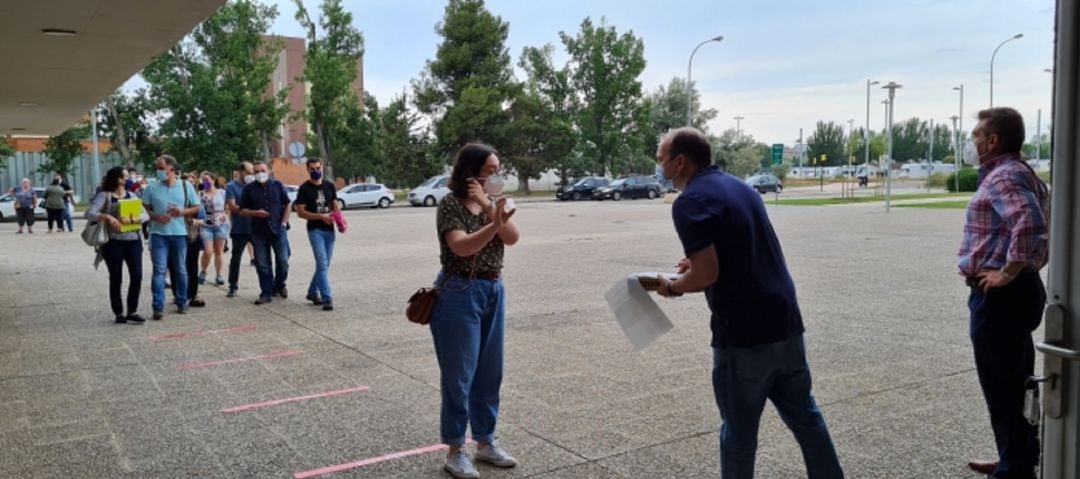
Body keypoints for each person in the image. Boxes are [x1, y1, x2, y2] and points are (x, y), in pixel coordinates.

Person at [654, 127, 842, 479]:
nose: (660, 168)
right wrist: (694, 263)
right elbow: (737, 248)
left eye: (662, 160)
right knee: (806, 418)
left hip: (744, 335)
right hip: (785, 321)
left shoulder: (690, 202)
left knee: (738, 434)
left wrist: (673, 286)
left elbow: (706, 275)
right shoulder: (740, 187)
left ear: (680, 162)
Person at [958, 107, 1049, 479]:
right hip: (1015, 292)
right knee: (1016, 380)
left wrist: (1008, 273)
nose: (972, 141)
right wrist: (1025, 271)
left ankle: (1014, 469)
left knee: (1003, 387)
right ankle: (1016, 456)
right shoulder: (1021, 172)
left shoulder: (1004, 176)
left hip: (1000, 298)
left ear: (993, 141)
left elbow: (1029, 224)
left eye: (977, 135)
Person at [430, 143, 520, 479]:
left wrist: (489, 208)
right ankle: (456, 450)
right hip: (459, 290)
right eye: (491, 170)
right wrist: (493, 222)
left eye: (499, 168)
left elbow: (512, 238)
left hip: (493, 289)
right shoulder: (450, 204)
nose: (497, 175)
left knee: (489, 372)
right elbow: (461, 247)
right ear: (472, 172)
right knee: (459, 375)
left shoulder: (495, 203)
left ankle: (486, 442)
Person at [86, 167, 149, 324]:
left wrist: (136, 218)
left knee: (137, 275)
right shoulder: (105, 196)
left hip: (133, 240)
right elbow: (89, 213)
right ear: (118, 178)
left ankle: (132, 310)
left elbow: (146, 215)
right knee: (116, 277)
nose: (129, 178)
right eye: (126, 176)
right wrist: (106, 216)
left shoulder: (132, 195)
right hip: (113, 242)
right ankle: (119, 312)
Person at [142, 154, 201, 320]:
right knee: (159, 270)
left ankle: (182, 301)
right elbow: (145, 208)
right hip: (158, 234)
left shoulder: (185, 185)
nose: (158, 171)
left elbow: (196, 207)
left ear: (172, 169)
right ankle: (158, 306)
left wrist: (181, 212)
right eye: (157, 168)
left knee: (181, 269)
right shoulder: (151, 188)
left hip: (179, 234)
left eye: (161, 168)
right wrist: (153, 216)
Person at [239, 162, 291, 305]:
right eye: (256, 171)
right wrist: (255, 213)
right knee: (262, 264)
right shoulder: (248, 189)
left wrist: (284, 223)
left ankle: (280, 285)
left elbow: (287, 204)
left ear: (268, 171)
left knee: (283, 261)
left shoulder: (278, 185)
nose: (260, 173)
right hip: (259, 232)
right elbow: (242, 210)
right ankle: (266, 292)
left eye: (262, 170)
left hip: (278, 229)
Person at [295, 158, 340, 311]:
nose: (316, 171)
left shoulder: (329, 186)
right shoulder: (304, 189)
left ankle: (312, 292)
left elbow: (335, 205)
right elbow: (300, 212)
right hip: (315, 230)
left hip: (330, 230)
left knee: (324, 265)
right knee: (321, 263)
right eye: (312, 168)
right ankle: (327, 298)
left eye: (318, 168)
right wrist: (321, 216)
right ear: (308, 170)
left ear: (322, 168)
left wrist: (340, 221)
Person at [174, 172, 208, 309]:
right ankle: (179, 294)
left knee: (192, 265)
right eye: (188, 181)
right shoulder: (175, 196)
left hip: (191, 234)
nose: (190, 183)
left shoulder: (195, 199)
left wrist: (192, 217)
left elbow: (203, 216)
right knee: (177, 265)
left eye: (192, 180)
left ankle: (193, 294)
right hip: (175, 234)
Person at [225, 162, 254, 297]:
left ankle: (268, 285)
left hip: (256, 228)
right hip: (239, 228)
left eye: (252, 173)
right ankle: (233, 285)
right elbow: (232, 206)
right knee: (236, 258)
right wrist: (250, 211)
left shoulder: (255, 185)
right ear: (241, 172)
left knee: (262, 259)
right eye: (248, 173)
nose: (251, 176)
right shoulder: (231, 186)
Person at [197, 172, 229, 286]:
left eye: (207, 179)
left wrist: (225, 215)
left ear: (213, 179)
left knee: (219, 251)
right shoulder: (200, 194)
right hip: (206, 224)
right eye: (203, 180)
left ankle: (219, 275)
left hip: (221, 224)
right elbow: (197, 209)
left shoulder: (222, 193)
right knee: (208, 250)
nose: (205, 182)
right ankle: (203, 271)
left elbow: (228, 206)